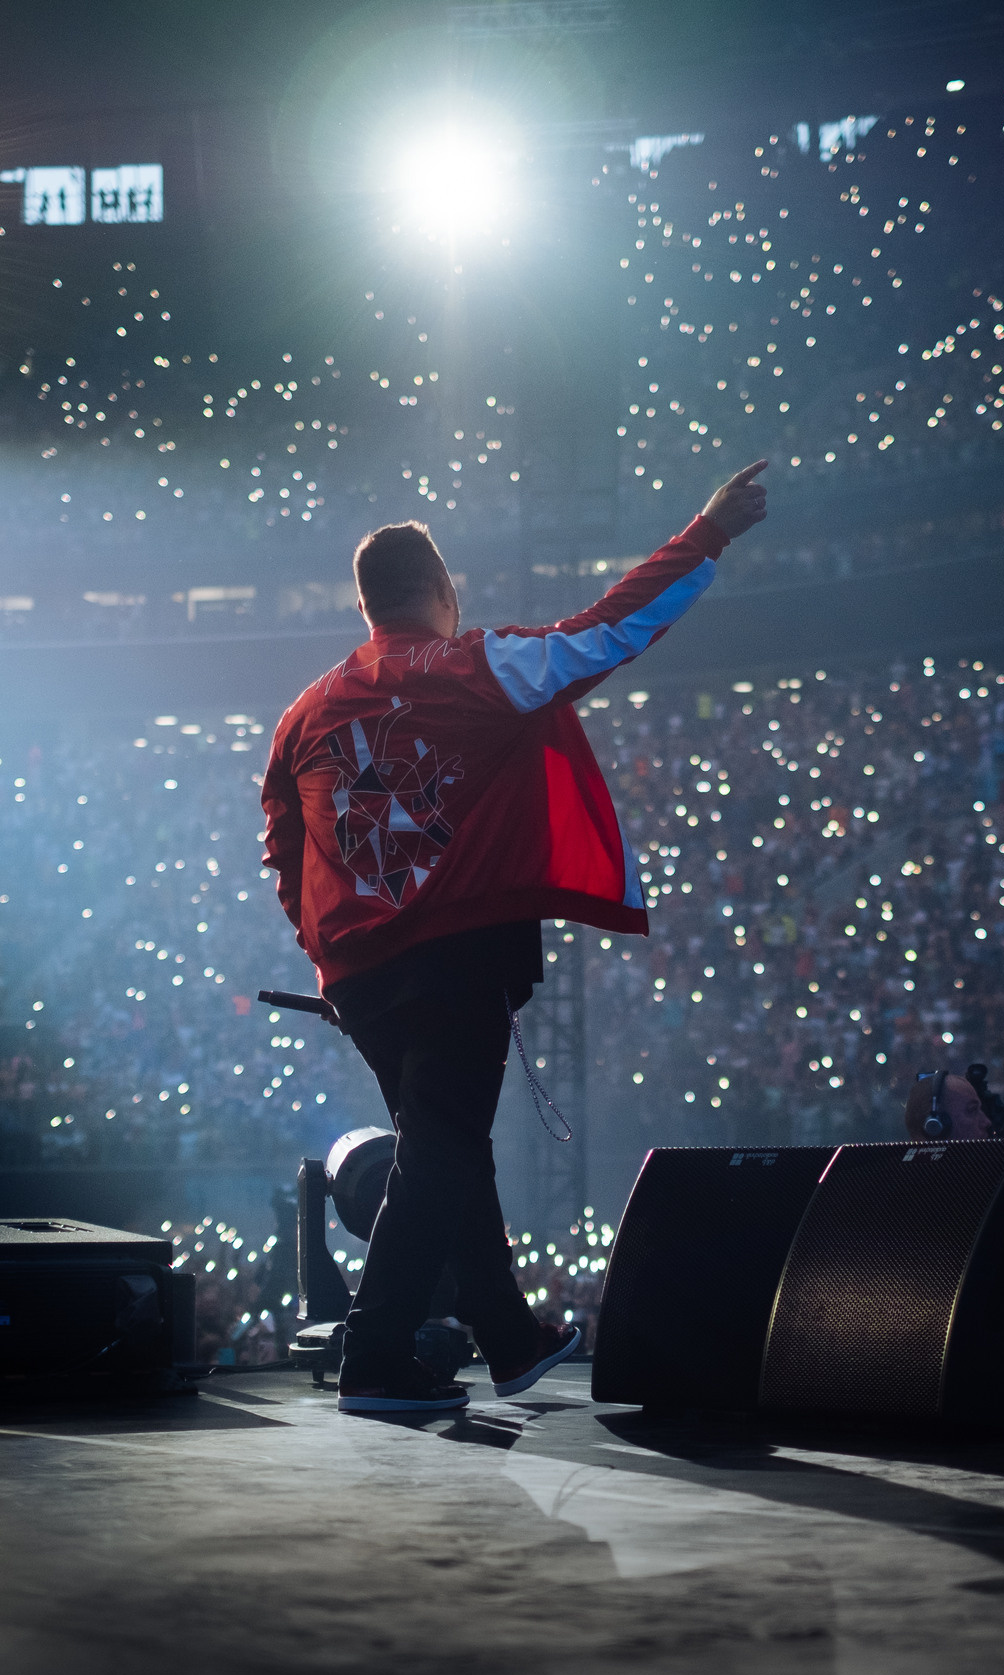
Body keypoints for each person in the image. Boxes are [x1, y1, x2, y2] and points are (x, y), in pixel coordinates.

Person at [263, 459, 771, 1413]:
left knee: (444, 1146)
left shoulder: (305, 713)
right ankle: (375, 1357)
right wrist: (705, 534)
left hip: (362, 972)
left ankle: (507, 1335)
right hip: (454, 954)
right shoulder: (470, 665)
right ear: (440, 590)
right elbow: (606, 631)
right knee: (444, 1145)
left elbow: (281, 843)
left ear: (365, 602)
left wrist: (327, 952)